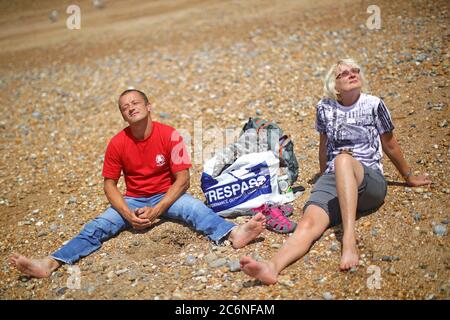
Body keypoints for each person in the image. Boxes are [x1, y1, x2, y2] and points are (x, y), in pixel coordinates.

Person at [9, 89, 266, 278]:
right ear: (122, 114)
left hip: (167, 195)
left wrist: (157, 210)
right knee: (97, 226)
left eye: (135, 102)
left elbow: (183, 180)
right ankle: (50, 263)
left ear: (148, 105)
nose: (131, 107)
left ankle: (234, 234)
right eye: (125, 107)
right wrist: (126, 213)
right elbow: (109, 184)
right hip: (133, 199)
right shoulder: (117, 142)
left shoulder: (169, 135)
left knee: (196, 210)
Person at [240, 58, 432, 284]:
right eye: (344, 73)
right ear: (334, 85)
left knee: (342, 159)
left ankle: (348, 240)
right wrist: (323, 177)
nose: (352, 74)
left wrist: (409, 177)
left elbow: (390, 144)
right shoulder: (324, 108)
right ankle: (272, 266)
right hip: (335, 177)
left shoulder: (374, 104)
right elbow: (324, 145)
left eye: (355, 71)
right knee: (307, 223)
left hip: (368, 180)